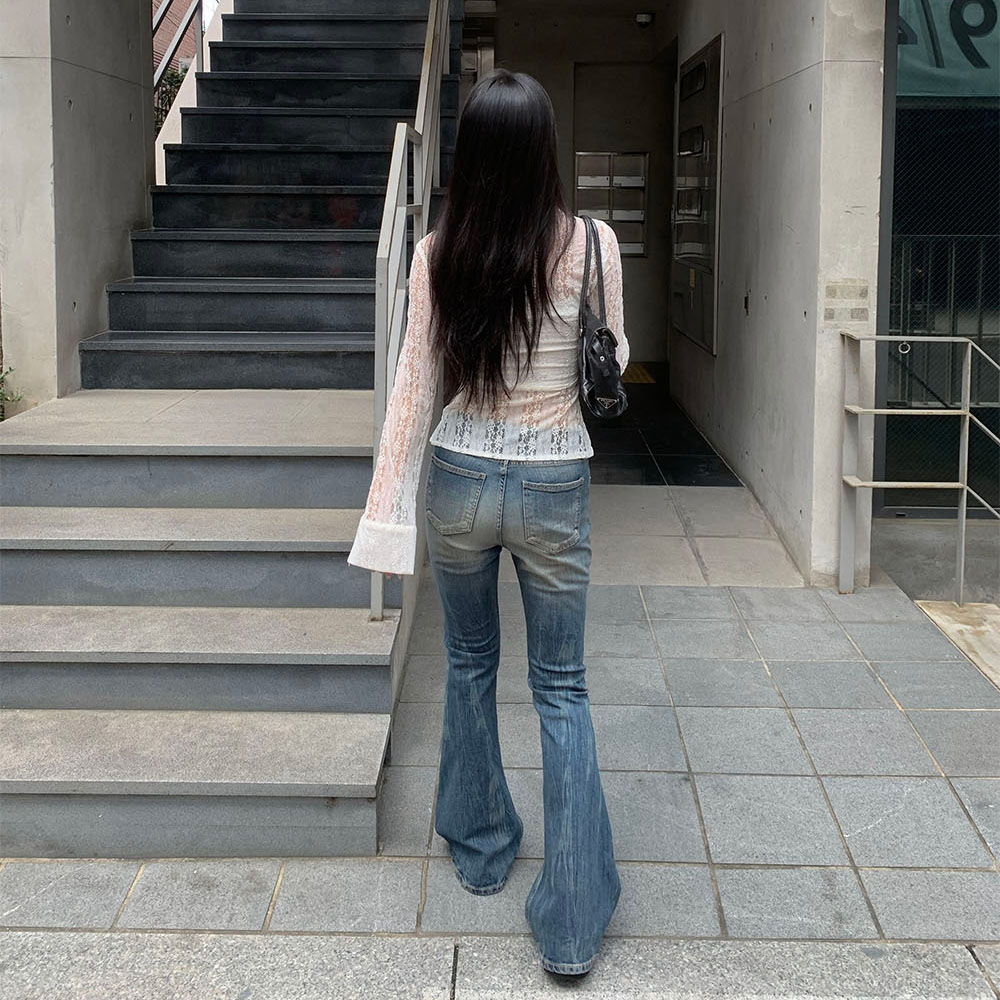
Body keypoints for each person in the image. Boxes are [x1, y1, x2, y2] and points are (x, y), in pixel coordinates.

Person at [347, 66, 628, 978]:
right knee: (563, 688)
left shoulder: (439, 252)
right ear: (544, 150)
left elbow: (413, 389)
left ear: (470, 154)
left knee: (469, 664)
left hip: (461, 477)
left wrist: (387, 518)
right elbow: (613, 355)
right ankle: (573, 921)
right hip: (554, 484)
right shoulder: (594, 243)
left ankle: (478, 846)